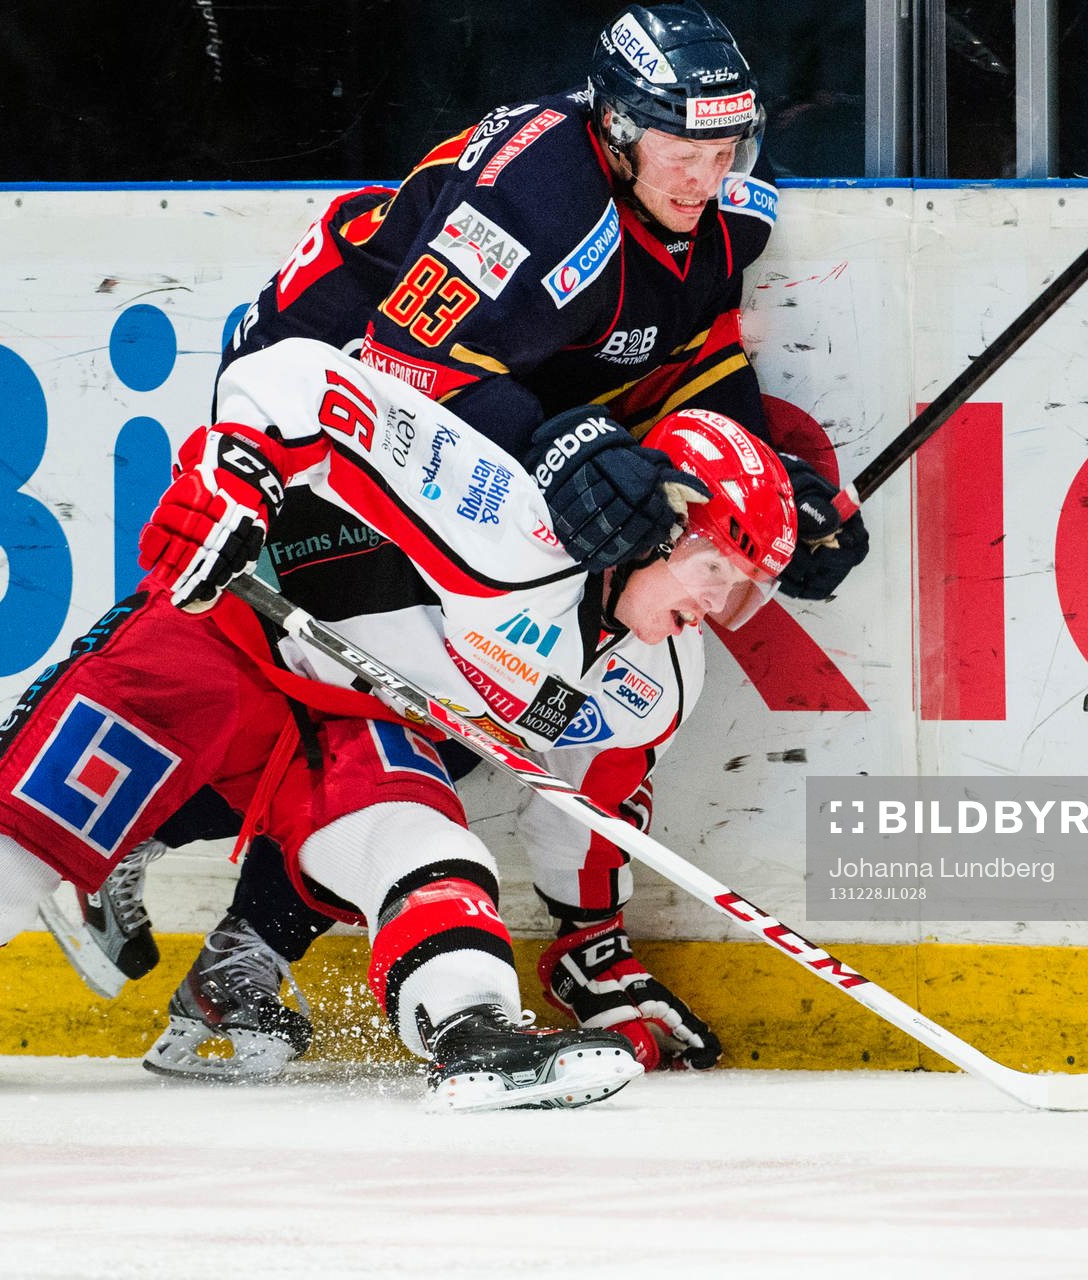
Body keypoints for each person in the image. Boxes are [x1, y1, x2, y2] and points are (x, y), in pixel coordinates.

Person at [49, 0, 869, 1079]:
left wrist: (779, 489)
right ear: (617, 127)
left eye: (724, 148)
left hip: (478, 451)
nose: (702, 172)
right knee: (389, 702)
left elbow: (690, 361)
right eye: (679, 146)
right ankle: (164, 869)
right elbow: (396, 364)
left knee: (460, 704)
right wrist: (562, 441)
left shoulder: (712, 224)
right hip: (331, 431)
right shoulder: (530, 195)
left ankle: (233, 942)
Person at [0, 335, 800, 1113]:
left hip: (355, 713)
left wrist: (592, 950)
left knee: (434, 850)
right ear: (657, 523)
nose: (713, 606)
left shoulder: (656, 679)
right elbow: (298, 378)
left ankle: (476, 1036)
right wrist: (235, 481)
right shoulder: (510, 520)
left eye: (742, 591)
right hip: (229, 636)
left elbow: (583, 815)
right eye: (713, 571)